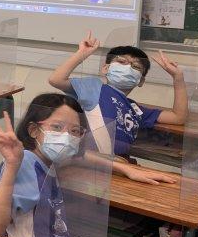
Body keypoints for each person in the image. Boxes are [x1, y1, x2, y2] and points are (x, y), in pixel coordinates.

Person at [0, 94, 145, 237]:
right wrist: (11, 165)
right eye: (57, 127)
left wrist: (123, 167)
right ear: (33, 130)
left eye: (74, 131)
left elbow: (80, 156)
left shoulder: (47, 160)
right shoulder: (25, 162)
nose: (66, 137)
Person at [48, 31, 186, 183]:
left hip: (119, 167)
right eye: (121, 62)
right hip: (89, 165)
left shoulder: (135, 108)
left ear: (141, 81)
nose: (128, 67)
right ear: (105, 68)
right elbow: (56, 80)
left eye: (136, 66)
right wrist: (82, 54)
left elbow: (178, 117)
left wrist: (178, 78)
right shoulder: (94, 87)